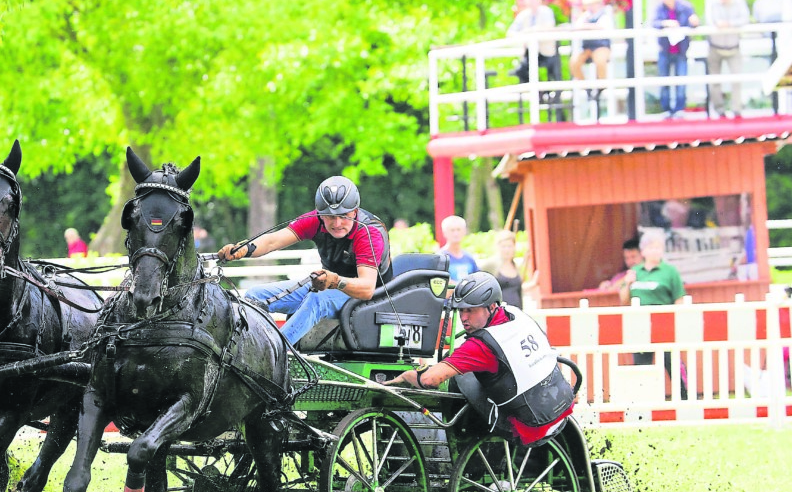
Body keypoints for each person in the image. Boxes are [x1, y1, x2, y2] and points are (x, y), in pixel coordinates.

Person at [385, 272, 575, 446]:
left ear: (491, 307)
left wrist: (407, 376)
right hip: (560, 406)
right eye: (461, 311)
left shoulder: (482, 346)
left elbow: (430, 379)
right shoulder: (516, 315)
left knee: (461, 378)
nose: (464, 318)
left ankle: (462, 442)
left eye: (470, 311)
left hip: (529, 426)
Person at [218, 176, 391, 346]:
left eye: (344, 216)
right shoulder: (314, 220)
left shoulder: (368, 233)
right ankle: (246, 347)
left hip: (369, 295)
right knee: (254, 296)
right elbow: (273, 241)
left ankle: (274, 351)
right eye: (330, 216)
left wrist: (335, 281)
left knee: (318, 299)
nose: (337, 223)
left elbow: (367, 289)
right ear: (320, 214)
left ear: (355, 211)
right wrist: (244, 249)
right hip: (327, 285)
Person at [619, 231, 688, 398]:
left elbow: (679, 298)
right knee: (642, 365)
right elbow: (623, 299)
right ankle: (643, 400)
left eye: (658, 247)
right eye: (651, 247)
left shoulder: (670, 271)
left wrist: (677, 321)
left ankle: (684, 397)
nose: (655, 251)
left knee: (672, 362)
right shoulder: (635, 272)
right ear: (643, 251)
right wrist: (628, 283)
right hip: (640, 325)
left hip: (664, 324)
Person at [652, 0, 700, 118]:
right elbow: (653, 23)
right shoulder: (659, 7)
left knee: (681, 81)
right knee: (664, 80)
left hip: (681, 50)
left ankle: (679, 109)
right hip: (665, 49)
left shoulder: (685, 6)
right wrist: (665, 23)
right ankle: (666, 109)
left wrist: (694, 21)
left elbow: (694, 22)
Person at [506, 0, 561, 100]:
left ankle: (547, 94)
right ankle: (539, 93)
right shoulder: (524, 15)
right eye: (530, 0)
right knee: (521, 71)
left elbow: (549, 28)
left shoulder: (546, 12)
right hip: (530, 53)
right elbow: (510, 32)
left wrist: (531, 31)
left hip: (546, 52)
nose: (532, 2)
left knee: (553, 74)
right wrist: (523, 35)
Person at [706, 0, 750, 118]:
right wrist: (720, 24)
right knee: (715, 80)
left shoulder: (739, 2)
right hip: (715, 46)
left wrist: (730, 24)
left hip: (733, 46)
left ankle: (737, 110)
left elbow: (744, 19)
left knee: (736, 79)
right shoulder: (712, 1)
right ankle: (719, 111)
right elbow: (711, 21)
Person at [569, 0, 613, 100]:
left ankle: (601, 86)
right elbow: (577, 27)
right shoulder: (585, 16)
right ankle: (586, 86)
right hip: (587, 48)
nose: (590, 7)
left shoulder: (604, 16)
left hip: (601, 46)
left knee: (600, 60)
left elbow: (604, 28)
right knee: (574, 62)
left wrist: (587, 27)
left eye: (592, 4)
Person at [488, 230, 539, 310]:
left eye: (509, 246)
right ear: (498, 247)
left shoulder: (516, 266)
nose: (507, 249)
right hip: (498, 314)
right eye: (503, 246)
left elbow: (516, 288)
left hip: (516, 312)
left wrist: (533, 284)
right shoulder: (491, 266)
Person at [440, 215, 478, 282]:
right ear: (444, 233)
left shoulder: (469, 258)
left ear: (464, 231)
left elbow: (478, 279)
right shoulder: (440, 257)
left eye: (458, 229)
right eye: (452, 230)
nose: (456, 233)